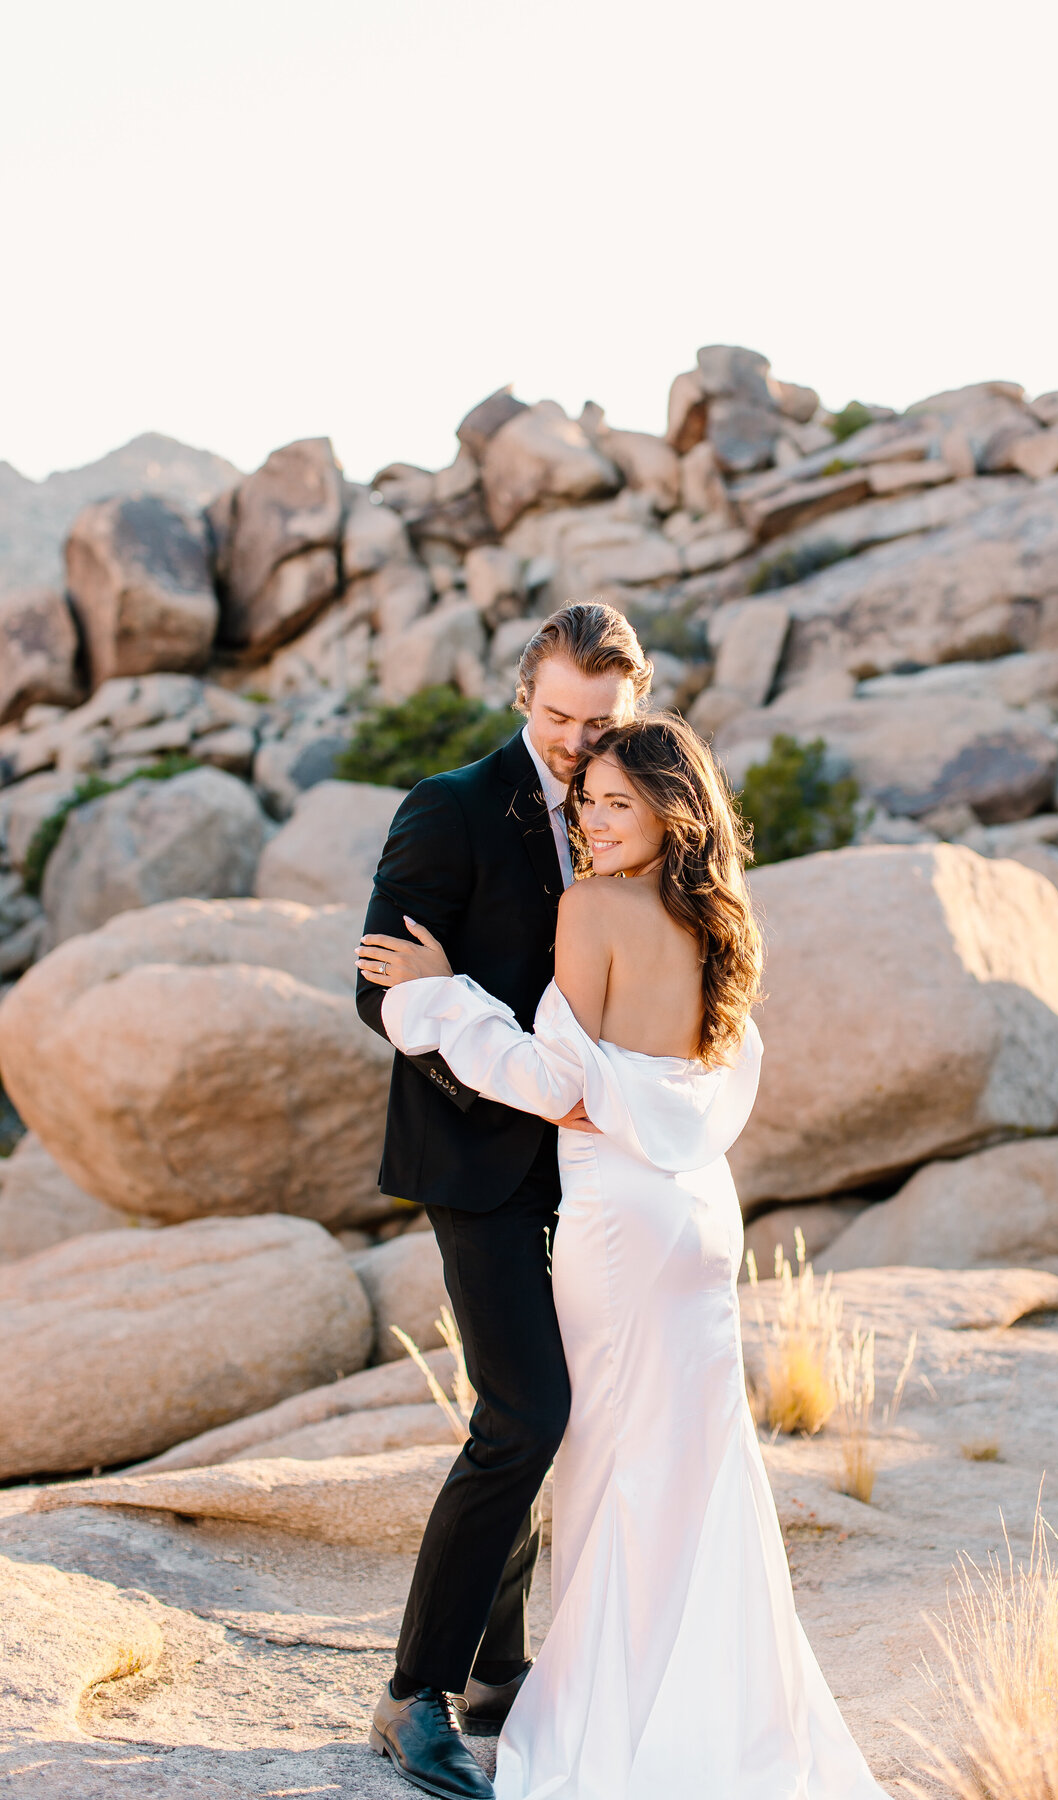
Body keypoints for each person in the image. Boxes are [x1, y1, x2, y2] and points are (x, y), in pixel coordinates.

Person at [358, 714, 888, 1799]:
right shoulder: (722, 918)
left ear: (667, 813)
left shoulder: (592, 905)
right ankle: (720, 1716)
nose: (592, 824)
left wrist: (438, 998)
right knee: (700, 1468)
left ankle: (613, 1709)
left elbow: (557, 1086)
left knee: (612, 1470)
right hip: (699, 1213)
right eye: (587, 802)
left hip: (616, 1228)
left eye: (616, 805)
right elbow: (705, 1074)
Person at [355, 601, 653, 1800]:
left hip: (598, 1172)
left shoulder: (641, 803)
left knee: (562, 1414)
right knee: (524, 1413)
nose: (579, 743)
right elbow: (377, 986)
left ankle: (500, 1670)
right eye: (561, 716)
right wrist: (483, 1053)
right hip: (476, 1161)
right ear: (524, 694)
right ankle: (410, 1695)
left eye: (602, 722)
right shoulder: (451, 805)